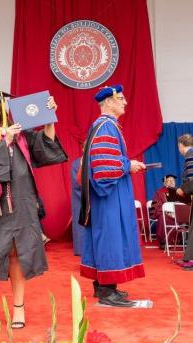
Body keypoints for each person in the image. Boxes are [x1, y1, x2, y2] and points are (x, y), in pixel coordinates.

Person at [0, 86, 67, 328]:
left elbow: (45, 148)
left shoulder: (20, 135)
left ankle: (18, 309)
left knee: (16, 255)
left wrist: (49, 118)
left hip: (19, 204)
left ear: (0, 109)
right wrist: (4, 141)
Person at [79, 84, 146, 307]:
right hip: (109, 194)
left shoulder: (106, 126)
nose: (125, 102)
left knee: (105, 236)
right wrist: (129, 165)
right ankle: (107, 292)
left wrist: (128, 164)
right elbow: (104, 165)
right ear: (108, 102)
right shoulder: (106, 126)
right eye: (121, 99)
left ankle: (104, 287)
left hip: (108, 192)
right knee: (110, 237)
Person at [151, 174, 178, 248]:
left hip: (178, 214)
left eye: (173, 180)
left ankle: (182, 240)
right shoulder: (159, 192)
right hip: (166, 214)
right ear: (164, 183)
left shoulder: (179, 191)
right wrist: (167, 212)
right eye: (169, 180)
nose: (171, 182)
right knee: (163, 217)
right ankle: (164, 241)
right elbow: (156, 206)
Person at [71, 157, 84, 256]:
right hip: (79, 197)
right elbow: (76, 183)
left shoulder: (94, 160)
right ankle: (80, 249)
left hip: (92, 197)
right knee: (80, 222)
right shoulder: (76, 164)